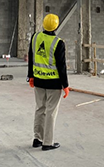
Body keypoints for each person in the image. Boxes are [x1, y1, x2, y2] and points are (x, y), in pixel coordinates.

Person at [27, 13, 69, 151]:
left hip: (38, 80)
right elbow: (61, 66)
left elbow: (31, 57)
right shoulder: (58, 43)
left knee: (40, 108)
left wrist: (31, 76)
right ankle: (47, 143)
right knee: (51, 112)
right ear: (56, 26)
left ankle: (37, 139)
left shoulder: (35, 37)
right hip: (53, 83)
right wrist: (66, 85)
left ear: (43, 24)